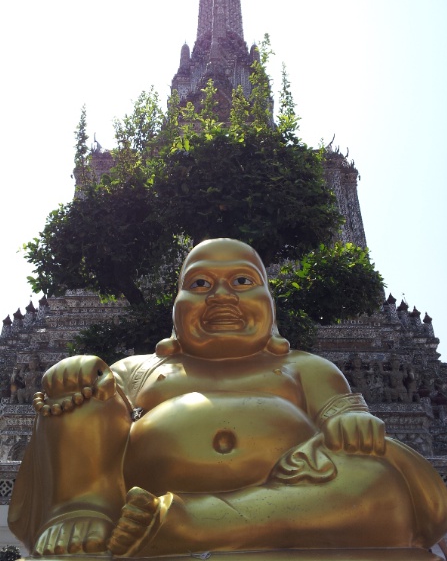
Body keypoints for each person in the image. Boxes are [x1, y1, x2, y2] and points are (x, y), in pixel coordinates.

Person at [9, 239, 447, 558]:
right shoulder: (142, 369)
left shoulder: (303, 367)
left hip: (289, 488)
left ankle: (192, 523)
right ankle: (82, 508)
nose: (221, 296)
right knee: (81, 387)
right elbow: (91, 422)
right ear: (176, 308)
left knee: (378, 483)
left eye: (242, 280)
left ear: (270, 305)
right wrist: (78, 375)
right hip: (139, 487)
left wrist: (350, 424)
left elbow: (342, 412)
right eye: (200, 283)